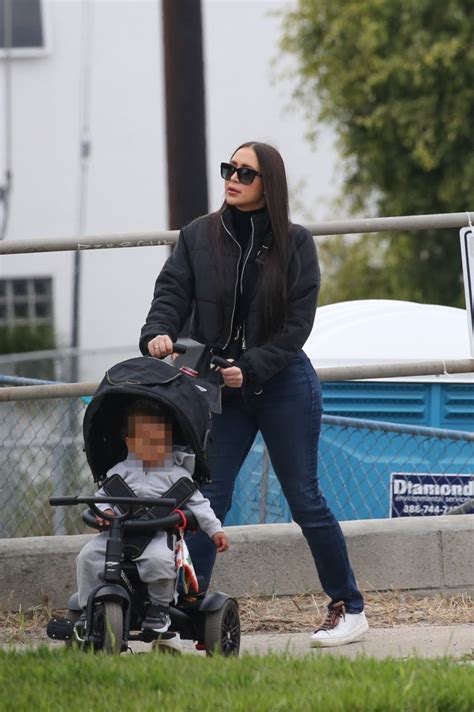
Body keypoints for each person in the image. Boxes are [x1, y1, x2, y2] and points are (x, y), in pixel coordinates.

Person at [139, 141, 369, 647]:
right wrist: (157, 332)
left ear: (270, 185)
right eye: (229, 168)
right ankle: (184, 613)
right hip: (221, 389)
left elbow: (295, 328)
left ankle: (349, 608)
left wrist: (252, 367)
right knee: (206, 497)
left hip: (283, 382)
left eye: (246, 172)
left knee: (304, 498)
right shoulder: (198, 236)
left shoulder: (297, 243)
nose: (233, 178)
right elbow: (171, 295)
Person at [76, 400, 229, 634]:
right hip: (117, 534)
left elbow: (200, 506)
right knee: (87, 557)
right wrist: (105, 511)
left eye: (161, 441)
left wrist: (215, 530)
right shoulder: (118, 473)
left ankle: (159, 608)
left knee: (159, 561)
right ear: (130, 443)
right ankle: (88, 608)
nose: (156, 447)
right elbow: (101, 498)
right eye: (148, 442)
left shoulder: (178, 477)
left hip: (158, 534)